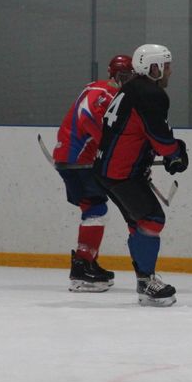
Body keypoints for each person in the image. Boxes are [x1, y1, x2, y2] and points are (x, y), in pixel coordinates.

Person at [93, 43, 189, 307]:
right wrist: (174, 154)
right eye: (166, 66)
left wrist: (165, 151)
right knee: (152, 220)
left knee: (139, 223)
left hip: (107, 171)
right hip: (121, 174)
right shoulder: (149, 93)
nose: (169, 72)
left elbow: (139, 131)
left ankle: (144, 280)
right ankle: (146, 282)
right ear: (153, 68)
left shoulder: (133, 89)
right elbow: (159, 136)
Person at [53, 54, 135, 292]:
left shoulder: (103, 90)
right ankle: (81, 268)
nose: (126, 80)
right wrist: (108, 144)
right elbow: (87, 114)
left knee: (95, 209)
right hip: (78, 158)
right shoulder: (104, 92)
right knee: (95, 209)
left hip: (75, 157)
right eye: (123, 76)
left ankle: (88, 263)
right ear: (114, 75)